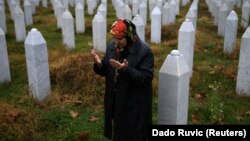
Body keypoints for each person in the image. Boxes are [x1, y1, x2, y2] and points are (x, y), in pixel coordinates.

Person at [91, 18, 154, 141]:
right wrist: (100, 65)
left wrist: (126, 69)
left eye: (119, 39)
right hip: (117, 100)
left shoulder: (145, 52)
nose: (116, 41)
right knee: (119, 132)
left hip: (134, 105)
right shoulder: (112, 47)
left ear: (130, 36)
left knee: (133, 134)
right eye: (114, 38)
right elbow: (108, 69)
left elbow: (146, 78)